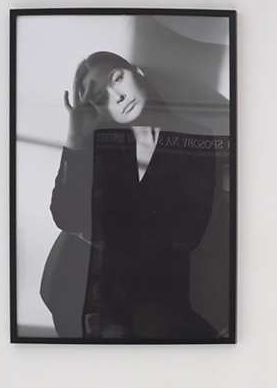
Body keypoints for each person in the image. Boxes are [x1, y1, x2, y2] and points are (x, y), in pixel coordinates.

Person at [41, 49, 223, 340]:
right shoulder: (98, 147)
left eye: (117, 79)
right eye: (100, 98)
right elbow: (65, 216)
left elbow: (187, 234)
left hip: (162, 301)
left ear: (137, 72)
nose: (118, 97)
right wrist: (75, 138)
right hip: (91, 300)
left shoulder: (195, 137)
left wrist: (106, 230)